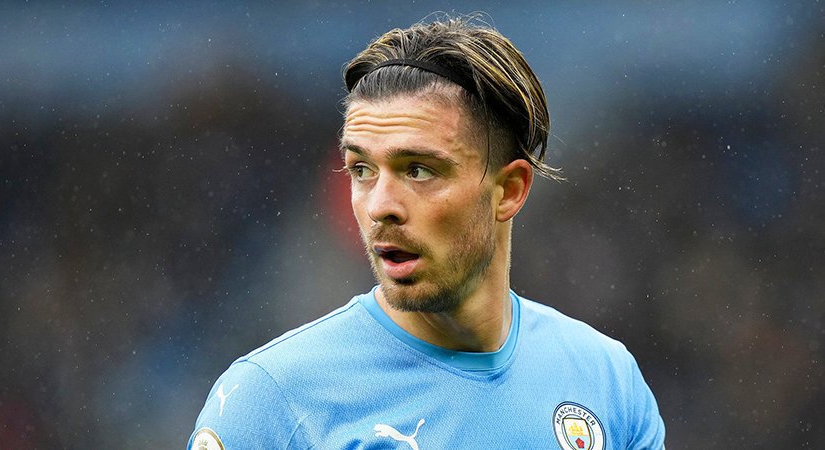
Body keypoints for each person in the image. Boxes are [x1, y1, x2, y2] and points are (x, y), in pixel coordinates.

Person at [188, 17, 665, 449]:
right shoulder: (270, 401)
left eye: (418, 170)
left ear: (509, 191)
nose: (380, 206)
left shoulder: (606, 380)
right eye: (361, 169)